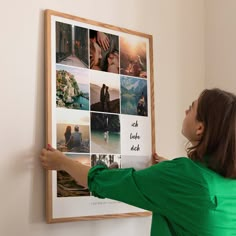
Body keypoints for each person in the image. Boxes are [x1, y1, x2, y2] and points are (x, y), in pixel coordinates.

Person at [40, 88, 236, 235]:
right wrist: (171, 172)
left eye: (191, 108)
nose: (186, 111)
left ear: (200, 128)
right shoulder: (229, 182)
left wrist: (62, 162)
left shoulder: (184, 176)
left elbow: (103, 181)